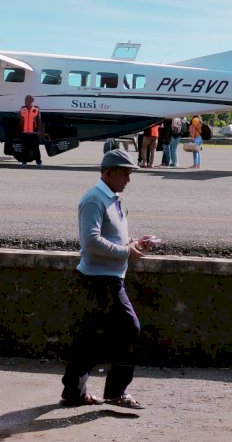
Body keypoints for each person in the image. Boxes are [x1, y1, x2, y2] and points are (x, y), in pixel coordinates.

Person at [60, 149, 155, 409]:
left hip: (108, 277)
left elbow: (112, 238)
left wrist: (134, 243)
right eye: (125, 172)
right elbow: (90, 242)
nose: (128, 178)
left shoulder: (114, 199)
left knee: (90, 336)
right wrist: (127, 251)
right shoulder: (94, 199)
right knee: (129, 329)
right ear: (109, 172)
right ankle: (117, 391)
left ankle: (73, 392)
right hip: (100, 279)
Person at [19, 95, 42, 168]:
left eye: (27, 100)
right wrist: (20, 130)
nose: (25, 101)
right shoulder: (22, 109)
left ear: (31, 101)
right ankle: (24, 163)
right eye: (25, 100)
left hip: (34, 133)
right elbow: (20, 120)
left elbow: (39, 121)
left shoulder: (36, 109)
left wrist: (39, 130)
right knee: (24, 149)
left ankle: (39, 163)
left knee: (36, 149)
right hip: (25, 133)